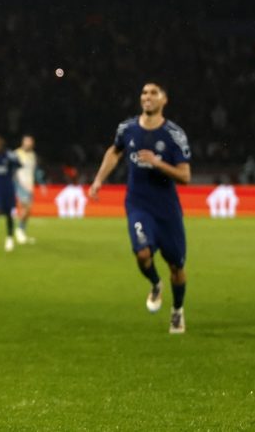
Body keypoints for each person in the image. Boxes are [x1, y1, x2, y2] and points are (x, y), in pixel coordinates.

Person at [89, 82, 191, 334]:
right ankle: (156, 283)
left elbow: (185, 176)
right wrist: (99, 180)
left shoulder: (174, 134)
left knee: (177, 267)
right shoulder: (127, 129)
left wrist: (158, 163)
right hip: (138, 204)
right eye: (144, 93)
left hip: (167, 209)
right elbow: (114, 152)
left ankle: (177, 311)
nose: (147, 97)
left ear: (164, 100)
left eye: (153, 93)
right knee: (143, 254)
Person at [13, 134, 40, 244]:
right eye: (27, 141)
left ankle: (22, 231)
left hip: (29, 185)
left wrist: (37, 183)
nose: (29, 143)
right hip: (20, 184)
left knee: (28, 210)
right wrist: (19, 183)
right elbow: (13, 171)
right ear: (23, 142)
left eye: (30, 142)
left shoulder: (33, 155)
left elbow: (33, 171)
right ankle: (19, 230)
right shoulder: (17, 154)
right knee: (26, 208)